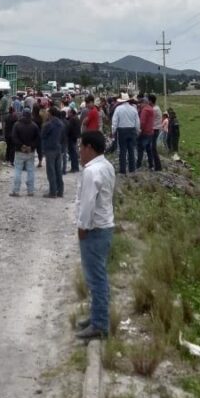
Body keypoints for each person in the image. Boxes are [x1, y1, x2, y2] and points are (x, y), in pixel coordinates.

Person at [75, 130, 115, 341]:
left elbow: (88, 202)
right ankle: (96, 316)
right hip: (105, 226)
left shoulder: (91, 172)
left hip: (94, 229)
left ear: (90, 148)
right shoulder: (106, 166)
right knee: (97, 277)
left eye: (81, 147)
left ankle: (99, 325)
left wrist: (82, 227)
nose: (79, 152)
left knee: (95, 278)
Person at [9, 106, 39, 196]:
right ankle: (30, 191)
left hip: (19, 151)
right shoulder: (34, 125)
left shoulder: (17, 125)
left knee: (18, 170)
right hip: (30, 152)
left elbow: (14, 137)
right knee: (30, 171)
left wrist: (21, 145)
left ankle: (16, 190)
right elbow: (38, 139)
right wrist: (31, 146)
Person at [111, 93, 140, 175]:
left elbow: (115, 121)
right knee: (131, 150)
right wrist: (137, 131)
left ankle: (123, 170)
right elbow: (137, 122)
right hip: (132, 130)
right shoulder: (133, 109)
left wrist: (113, 131)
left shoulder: (118, 109)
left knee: (122, 151)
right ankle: (132, 169)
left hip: (122, 131)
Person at [41, 107, 66, 198]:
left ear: (51, 113)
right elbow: (63, 137)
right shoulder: (61, 124)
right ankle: (60, 191)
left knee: (51, 171)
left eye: (48, 113)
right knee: (58, 170)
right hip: (58, 148)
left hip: (50, 149)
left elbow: (43, 135)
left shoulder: (48, 124)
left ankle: (52, 192)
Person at [136, 95, 156, 171]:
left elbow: (142, 122)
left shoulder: (144, 110)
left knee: (140, 149)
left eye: (141, 103)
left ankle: (138, 164)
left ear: (144, 103)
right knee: (149, 150)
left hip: (144, 132)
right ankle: (151, 165)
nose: (140, 105)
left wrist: (139, 131)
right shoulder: (151, 109)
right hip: (150, 132)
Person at [66, 106, 81, 174]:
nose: (68, 114)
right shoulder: (77, 118)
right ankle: (76, 167)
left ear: (72, 113)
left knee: (72, 153)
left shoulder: (72, 119)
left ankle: (74, 167)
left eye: (69, 113)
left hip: (71, 137)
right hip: (75, 137)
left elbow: (69, 128)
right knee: (74, 152)